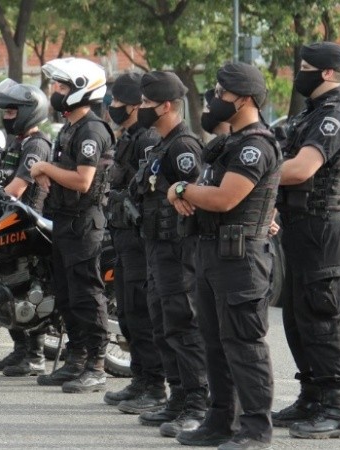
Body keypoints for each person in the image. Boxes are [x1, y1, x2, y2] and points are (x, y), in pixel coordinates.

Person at [167, 62, 280, 450]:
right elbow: (206, 189)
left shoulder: (255, 145)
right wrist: (183, 190)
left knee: (244, 346)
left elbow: (223, 197)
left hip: (241, 260)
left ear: (244, 99)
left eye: (221, 93)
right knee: (214, 343)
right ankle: (220, 422)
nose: (214, 99)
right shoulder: (227, 143)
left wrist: (180, 189)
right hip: (212, 254)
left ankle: (255, 429)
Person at [274, 41, 340, 440]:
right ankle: (311, 395)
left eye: (306, 66)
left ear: (328, 73)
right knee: (296, 315)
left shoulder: (336, 116)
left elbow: (302, 169)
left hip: (323, 226)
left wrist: (252, 173)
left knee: (320, 315)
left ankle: (335, 407)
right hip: (300, 226)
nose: (298, 72)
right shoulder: (310, 114)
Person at [29, 57, 115, 394]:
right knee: (66, 296)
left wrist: (46, 170)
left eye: (62, 87)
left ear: (82, 90)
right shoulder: (69, 128)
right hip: (63, 220)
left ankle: (96, 364)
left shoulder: (92, 129)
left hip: (84, 223)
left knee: (86, 295)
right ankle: (76, 358)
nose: (55, 92)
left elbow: (83, 180)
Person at [132, 71, 208, 436]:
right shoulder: (161, 144)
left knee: (183, 324)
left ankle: (198, 402)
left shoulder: (183, 147)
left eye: (147, 103)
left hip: (178, 251)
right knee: (163, 324)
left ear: (166, 106)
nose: (141, 108)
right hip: (156, 248)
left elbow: (194, 200)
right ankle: (178, 396)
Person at [100, 72, 166, 412]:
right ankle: (140, 378)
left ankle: (154, 387)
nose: (111, 107)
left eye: (117, 102)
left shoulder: (147, 138)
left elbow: (149, 190)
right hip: (122, 236)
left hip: (139, 240)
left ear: (137, 104)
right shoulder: (129, 136)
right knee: (127, 312)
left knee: (141, 313)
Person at [0, 78, 52, 377]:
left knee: (23, 287)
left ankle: (35, 354)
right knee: (3, 286)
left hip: (28, 224)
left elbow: (18, 186)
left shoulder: (37, 144)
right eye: (6, 112)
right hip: (7, 221)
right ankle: (20, 349)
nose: (7, 117)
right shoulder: (16, 142)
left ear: (29, 112)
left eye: (12, 112)